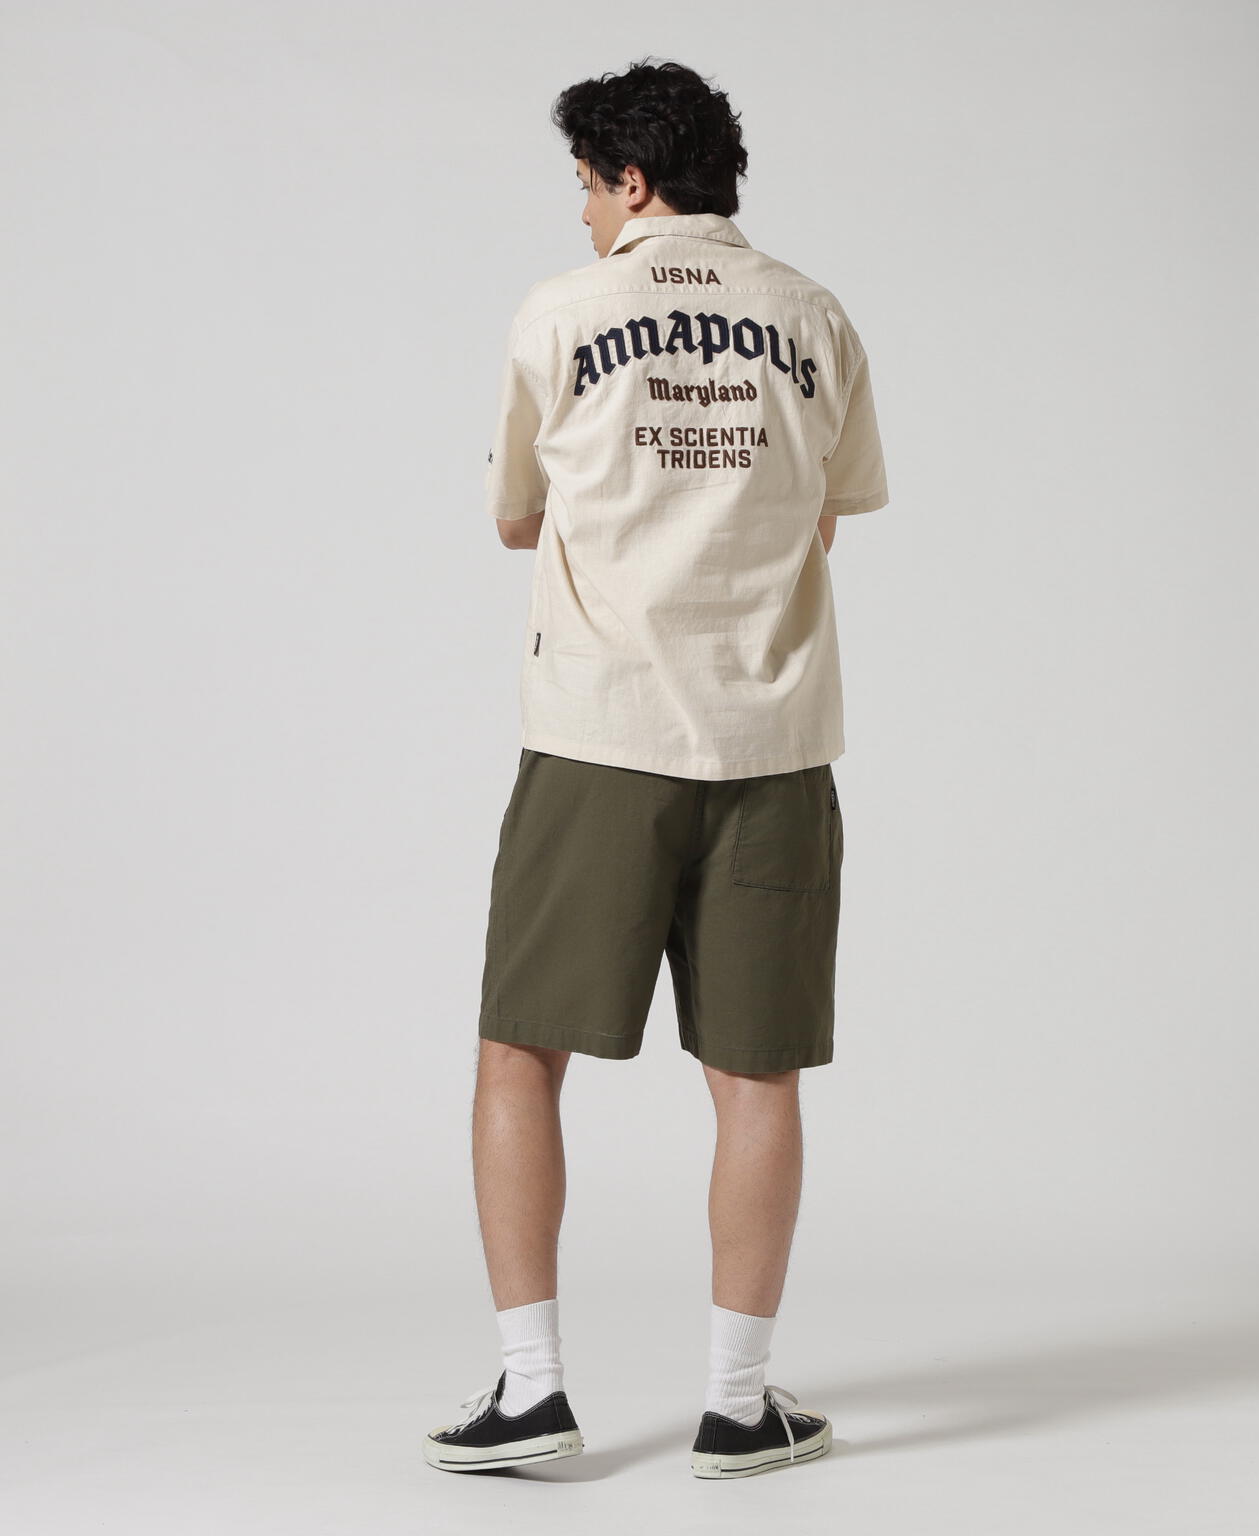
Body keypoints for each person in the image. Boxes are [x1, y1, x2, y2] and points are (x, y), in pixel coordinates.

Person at [423, 56, 889, 1481]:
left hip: (601, 736)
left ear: (632, 180)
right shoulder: (816, 314)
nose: (581, 212)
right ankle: (739, 1408)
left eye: (585, 184)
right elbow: (827, 515)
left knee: (521, 1052)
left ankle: (533, 1392)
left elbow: (516, 518)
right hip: (772, 743)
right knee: (758, 1075)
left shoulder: (562, 314)